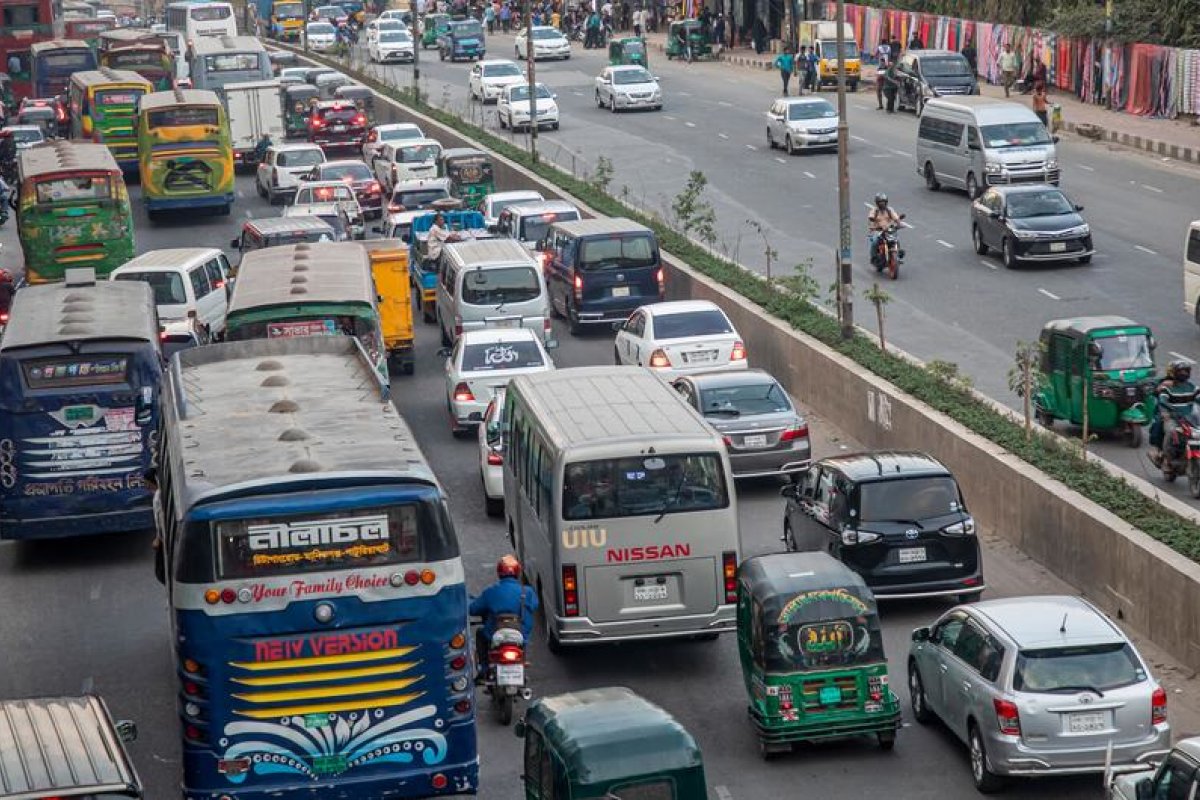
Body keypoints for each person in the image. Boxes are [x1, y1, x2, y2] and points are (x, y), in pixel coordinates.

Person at [469, 555, 538, 679]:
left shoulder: (491, 592)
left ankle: (484, 669)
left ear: (499, 573)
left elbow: (473, 609)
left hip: (494, 633)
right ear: (517, 572)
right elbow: (534, 605)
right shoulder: (527, 591)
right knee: (522, 643)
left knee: (480, 633)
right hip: (520, 633)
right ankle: (521, 663)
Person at [1149, 361, 1199, 465]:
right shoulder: (1166, 386)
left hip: (1189, 418)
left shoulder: (1192, 387)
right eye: (1181, 371)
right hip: (1172, 417)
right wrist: (1166, 412)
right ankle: (1167, 457)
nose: (1184, 373)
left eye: (1186, 371)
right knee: (1170, 431)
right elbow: (1161, 399)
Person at [867, 192, 901, 268]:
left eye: (884, 202)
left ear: (886, 202)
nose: (882, 204)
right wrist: (872, 227)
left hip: (889, 230)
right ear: (877, 203)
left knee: (896, 240)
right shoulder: (874, 211)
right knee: (874, 242)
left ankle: (898, 255)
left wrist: (899, 224)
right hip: (878, 231)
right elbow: (871, 219)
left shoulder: (889, 210)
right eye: (880, 202)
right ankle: (874, 258)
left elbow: (896, 218)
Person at [874, 38, 891, 109]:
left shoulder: (879, 48)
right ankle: (889, 104)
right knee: (888, 88)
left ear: (881, 42)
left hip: (880, 70)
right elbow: (890, 56)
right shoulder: (889, 48)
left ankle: (880, 105)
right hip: (887, 70)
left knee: (878, 89)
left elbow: (875, 55)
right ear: (886, 42)